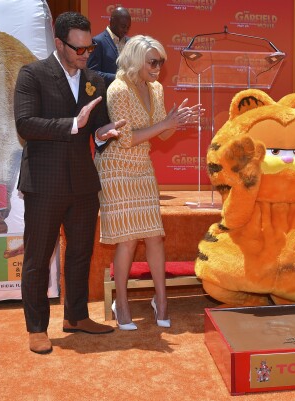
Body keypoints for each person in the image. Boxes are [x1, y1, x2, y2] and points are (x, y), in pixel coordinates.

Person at [14, 11, 125, 354]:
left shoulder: (95, 80)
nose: (85, 54)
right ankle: (37, 328)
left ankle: (76, 316)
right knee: (37, 258)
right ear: (59, 43)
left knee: (80, 254)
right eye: (78, 49)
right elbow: (26, 124)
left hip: (83, 183)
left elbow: (99, 128)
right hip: (44, 183)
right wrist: (73, 124)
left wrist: (105, 133)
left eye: (89, 48)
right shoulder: (32, 74)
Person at [94, 35, 200, 330]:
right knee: (128, 239)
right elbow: (126, 139)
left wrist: (175, 123)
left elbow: (161, 135)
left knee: (154, 235)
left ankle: (161, 300)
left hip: (142, 166)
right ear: (136, 60)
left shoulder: (155, 88)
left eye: (161, 62)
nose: (158, 68)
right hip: (117, 167)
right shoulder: (118, 89)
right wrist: (164, 124)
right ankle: (122, 303)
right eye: (153, 62)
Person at [87, 6, 131, 87]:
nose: (126, 30)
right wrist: (118, 78)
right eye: (123, 26)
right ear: (112, 22)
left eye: (128, 27)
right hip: (106, 95)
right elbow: (91, 73)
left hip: (128, 95)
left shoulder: (130, 42)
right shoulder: (97, 41)